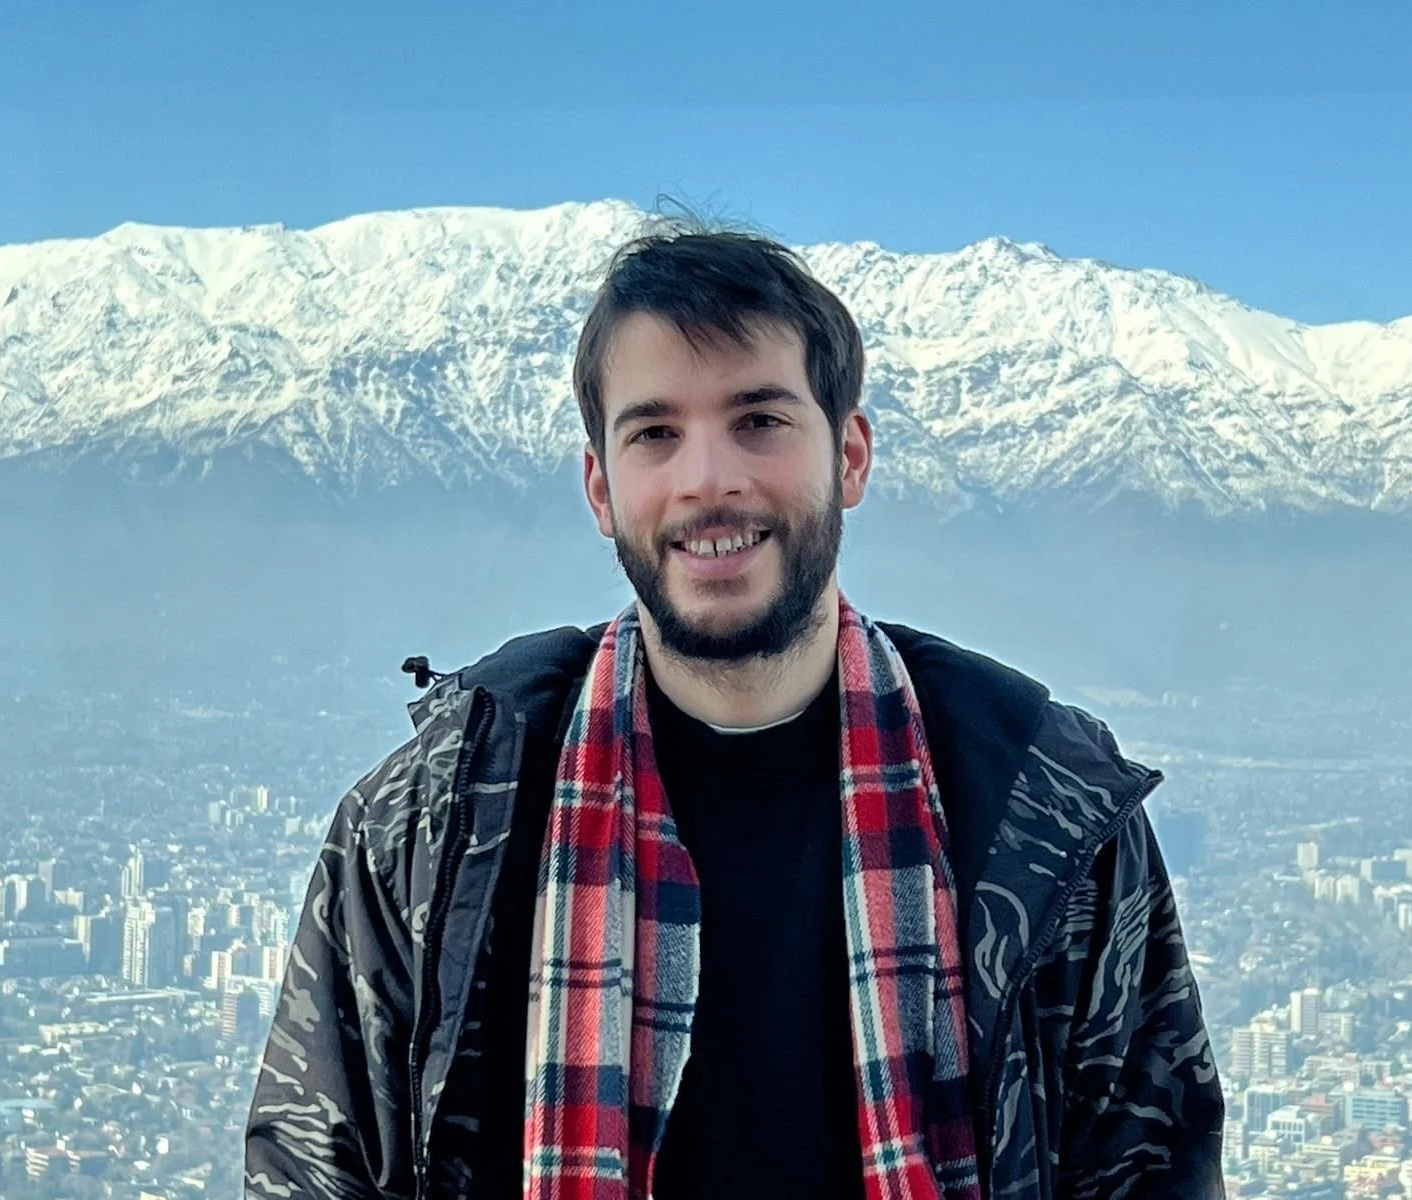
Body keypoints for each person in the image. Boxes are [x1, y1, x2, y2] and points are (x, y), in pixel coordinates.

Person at [243, 219, 1225, 1200]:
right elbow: (310, 1173)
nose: (707, 481)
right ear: (601, 488)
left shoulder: (1037, 810)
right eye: (655, 434)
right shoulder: (439, 825)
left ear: (848, 456)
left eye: (758, 421)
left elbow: (1151, 1169)